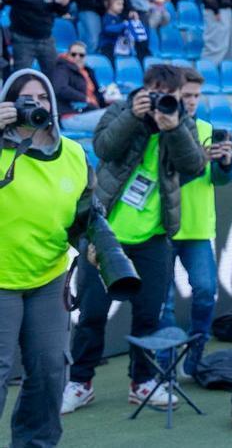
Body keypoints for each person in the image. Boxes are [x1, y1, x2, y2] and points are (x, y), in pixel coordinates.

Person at [64, 64, 207, 413]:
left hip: (154, 237)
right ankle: (80, 383)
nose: (161, 101)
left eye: (168, 96)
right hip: (106, 233)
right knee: (93, 312)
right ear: (144, 89)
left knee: (148, 315)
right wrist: (133, 116)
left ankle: (141, 383)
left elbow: (195, 167)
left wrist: (172, 128)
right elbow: (104, 148)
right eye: (155, 93)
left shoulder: (181, 121)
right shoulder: (121, 110)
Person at [0, 69, 117, 445]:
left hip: (47, 278)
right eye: (26, 99)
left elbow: (85, 212)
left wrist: (94, 242)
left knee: (51, 370)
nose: (36, 106)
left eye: (43, 98)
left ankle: (35, 442)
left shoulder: (72, 153)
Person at [158, 67, 232, 375]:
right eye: (186, 95)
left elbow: (219, 179)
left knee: (205, 292)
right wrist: (198, 159)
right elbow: (165, 179)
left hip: (198, 227)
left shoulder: (206, 127)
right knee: (163, 304)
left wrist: (225, 163)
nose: (191, 101)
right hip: (162, 227)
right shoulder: (161, 126)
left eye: (195, 96)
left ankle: (193, 356)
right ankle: (164, 367)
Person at [0, 0, 67, 74]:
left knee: (54, 75)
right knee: (21, 75)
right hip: (22, 40)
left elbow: (61, 11)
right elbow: (2, 2)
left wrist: (64, 3)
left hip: (46, 39)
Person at [52, 40, 109, 134]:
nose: (77, 57)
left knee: (118, 109)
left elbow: (97, 95)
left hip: (90, 112)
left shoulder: (88, 71)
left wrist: (106, 102)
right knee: (113, 116)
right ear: (67, 55)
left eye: (81, 55)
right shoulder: (62, 69)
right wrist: (84, 98)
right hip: (71, 116)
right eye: (73, 54)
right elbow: (60, 88)